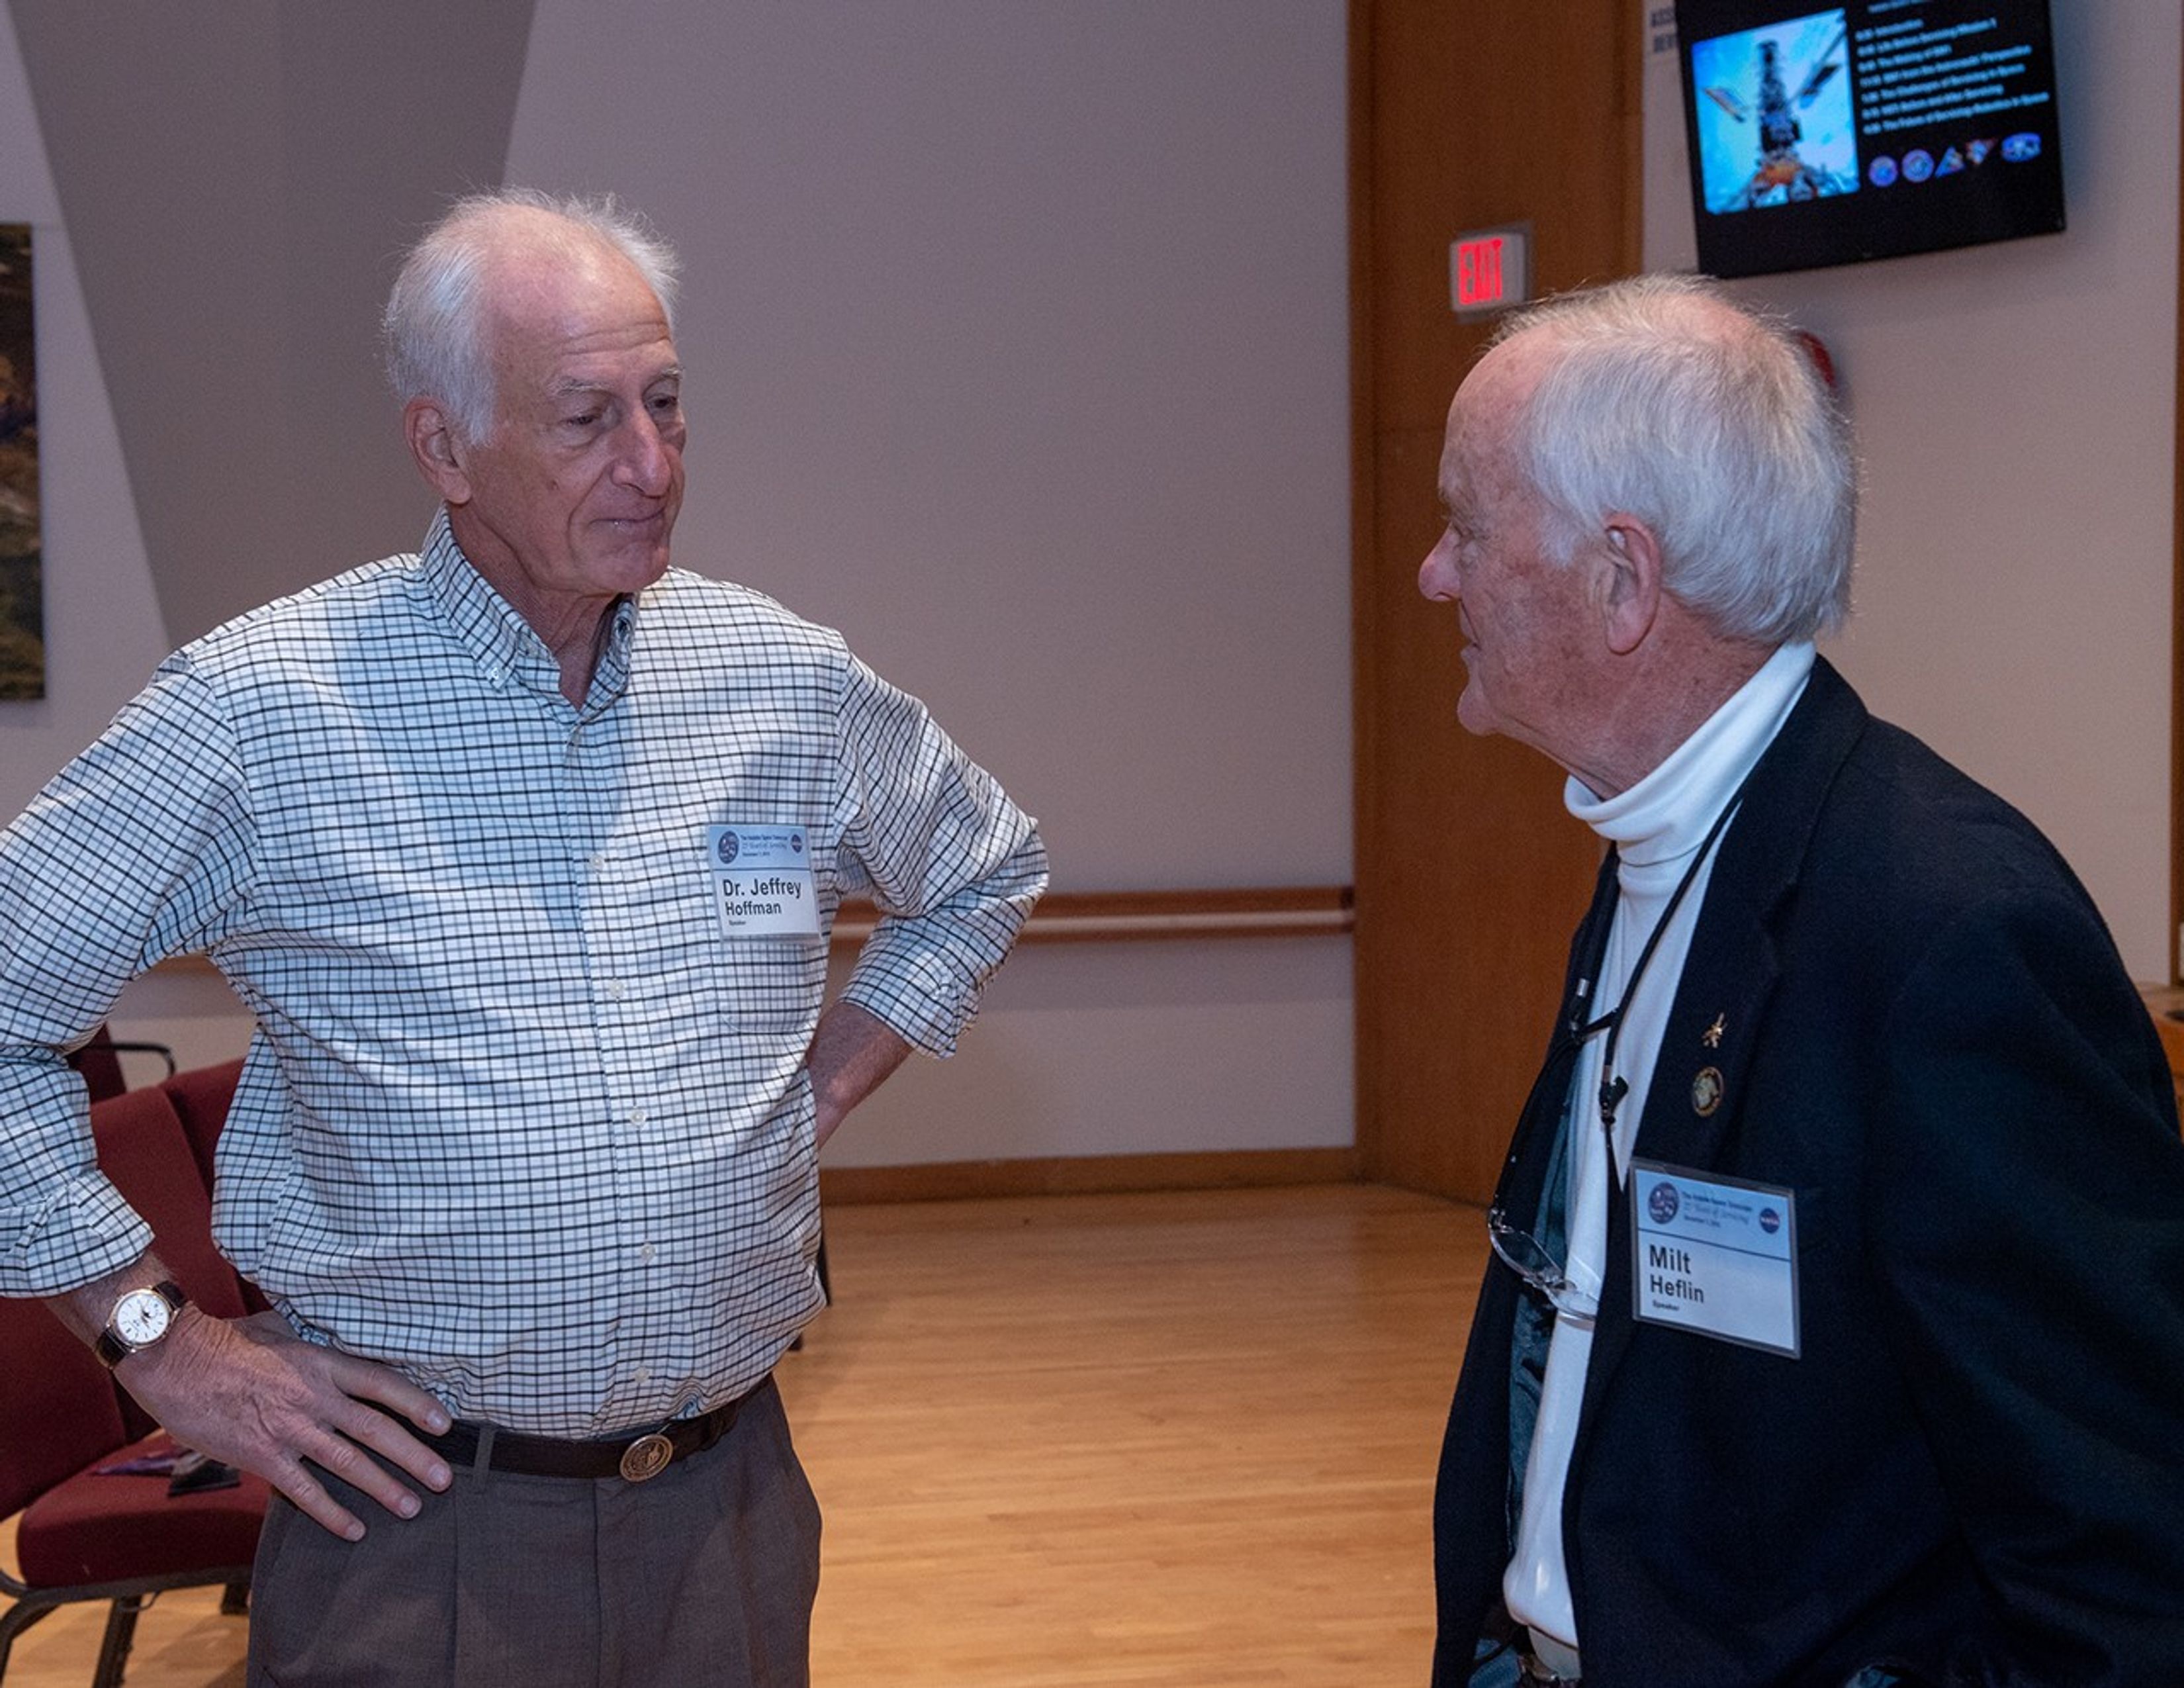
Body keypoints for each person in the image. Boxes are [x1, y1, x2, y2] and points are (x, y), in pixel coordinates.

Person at [0, 188, 1046, 1685]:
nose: (652, 463)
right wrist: (159, 1340)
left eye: (667, 404)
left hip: (731, 1506)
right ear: (444, 448)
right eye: (586, 418)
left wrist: (818, 1087)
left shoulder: (777, 680)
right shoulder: (261, 712)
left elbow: (986, 866)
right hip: (422, 1535)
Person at [1419, 274, 2184, 1687]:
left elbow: (2118, 1552)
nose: (1435, 572)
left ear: (1624, 581)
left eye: (1470, 527)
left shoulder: (1948, 931)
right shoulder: (1667, 838)